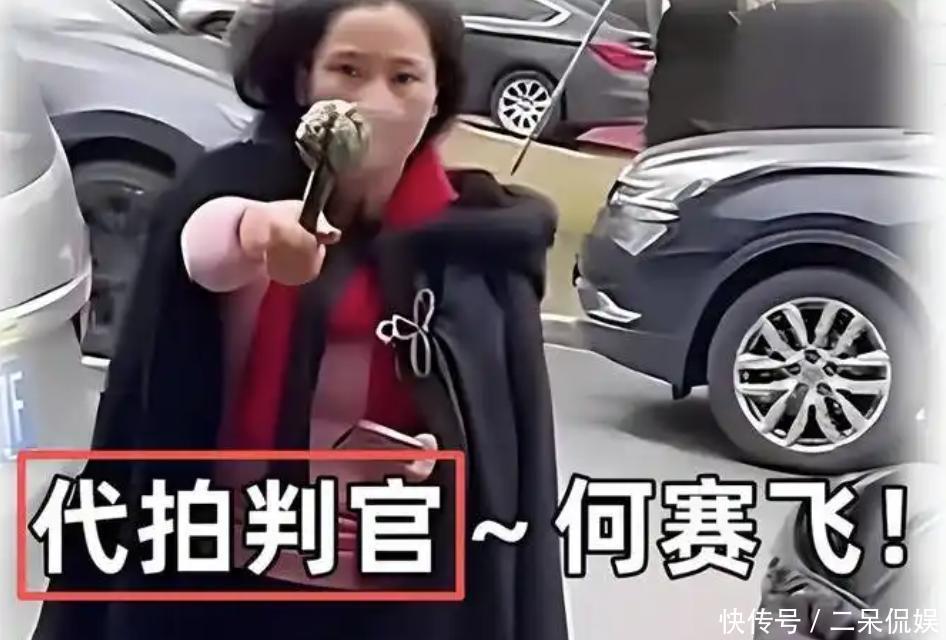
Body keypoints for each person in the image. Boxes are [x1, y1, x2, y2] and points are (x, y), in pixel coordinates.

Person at [31, 1, 568, 639]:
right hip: (221, 576)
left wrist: (439, 454)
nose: (374, 101)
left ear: (437, 96)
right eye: (348, 70)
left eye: (403, 77)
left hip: (391, 592)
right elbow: (206, 249)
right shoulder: (234, 188)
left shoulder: (478, 247)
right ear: (303, 78)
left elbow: (493, 450)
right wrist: (261, 231)